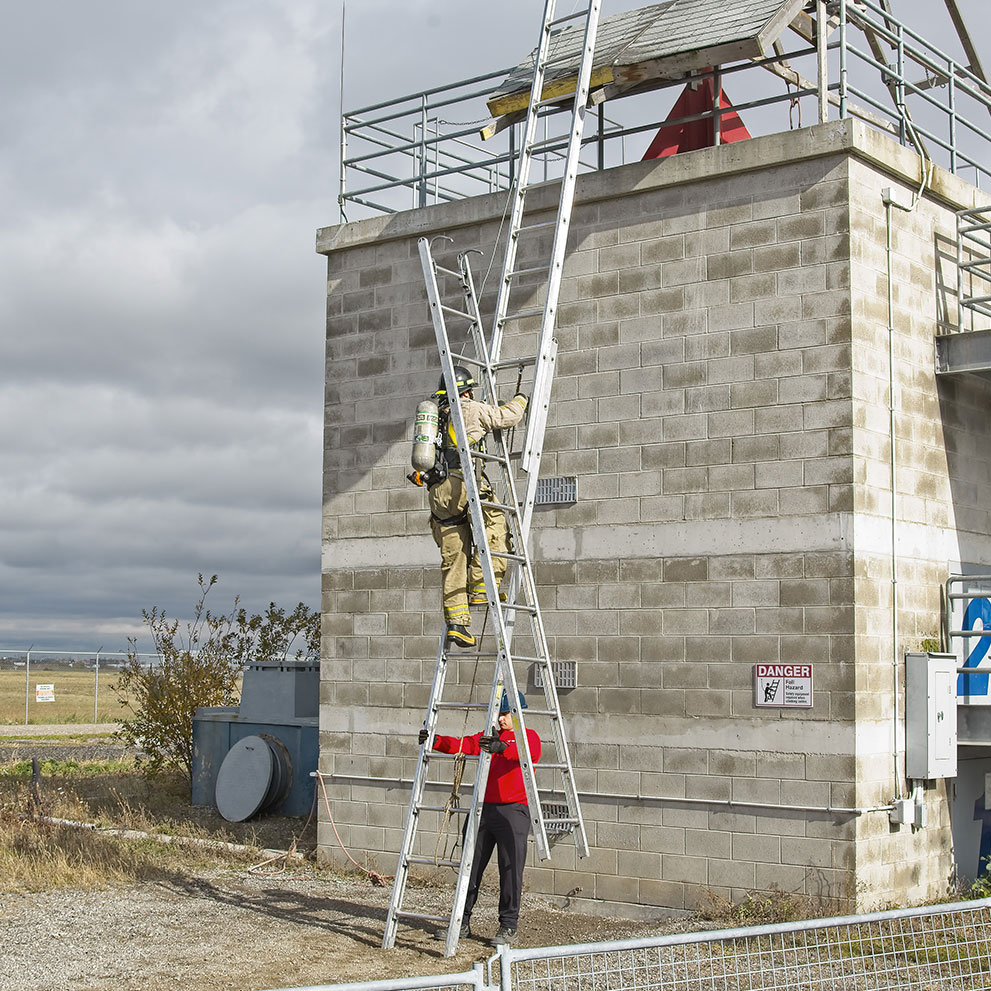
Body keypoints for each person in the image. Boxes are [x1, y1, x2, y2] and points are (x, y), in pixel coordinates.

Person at [418, 691, 540, 946]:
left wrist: (502, 747)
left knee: (511, 870)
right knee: (470, 867)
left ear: (519, 714)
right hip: (483, 809)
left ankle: (508, 927)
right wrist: (436, 740)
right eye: (501, 713)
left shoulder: (528, 736)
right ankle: (461, 922)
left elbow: (526, 753)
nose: (503, 719)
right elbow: (463, 745)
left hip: (514, 811)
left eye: (507, 714)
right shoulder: (489, 736)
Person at [427, 367, 527, 649]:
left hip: (437, 495)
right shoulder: (470, 408)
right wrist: (521, 399)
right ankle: (484, 588)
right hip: (464, 485)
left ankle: (458, 625)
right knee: (496, 528)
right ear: (466, 391)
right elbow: (508, 417)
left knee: (453, 558)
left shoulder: (433, 419)